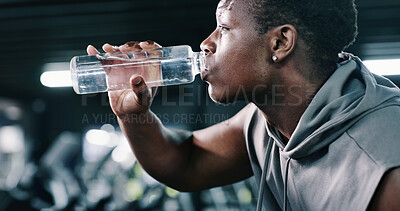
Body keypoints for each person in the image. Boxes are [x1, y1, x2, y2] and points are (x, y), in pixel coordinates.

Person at [87, 0, 400, 210]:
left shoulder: (382, 168)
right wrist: (132, 115)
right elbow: (186, 162)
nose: (205, 43)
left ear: (279, 43)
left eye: (223, 28)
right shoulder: (267, 120)